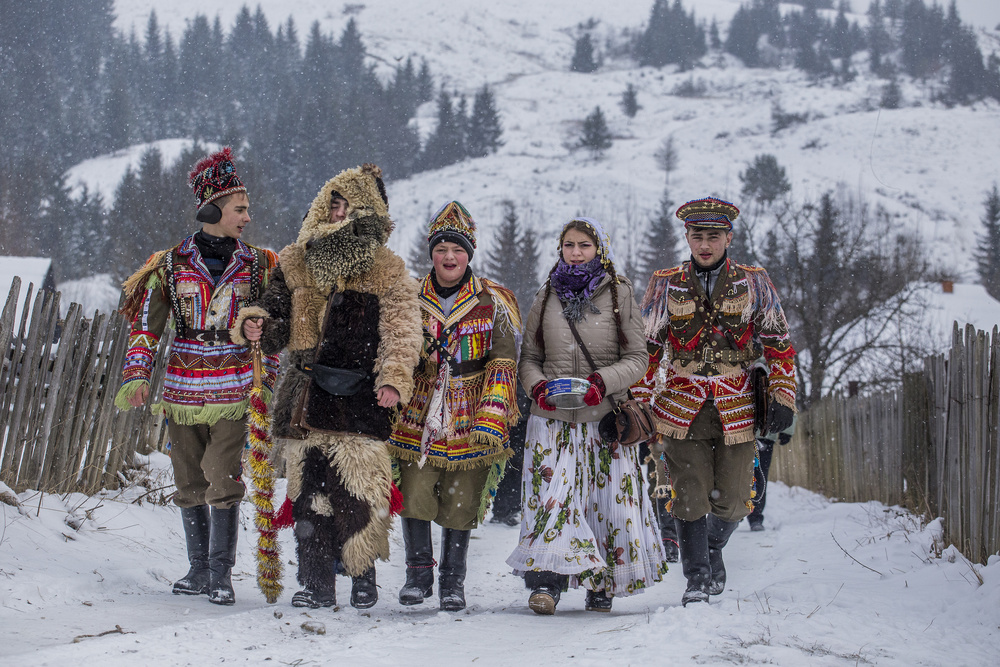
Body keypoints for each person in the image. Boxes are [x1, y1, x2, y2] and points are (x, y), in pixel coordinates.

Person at [231, 164, 423, 609]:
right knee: (309, 494)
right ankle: (315, 584)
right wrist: (257, 323)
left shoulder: (387, 269)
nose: (338, 213)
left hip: (362, 394)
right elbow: (274, 314)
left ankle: (362, 576)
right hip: (306, 392)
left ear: (367, 213)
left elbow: (402, 331)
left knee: (359, 492)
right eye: (333, 203)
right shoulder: (295, 260)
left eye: (348, 206)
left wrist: (393, 379)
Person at [115, 147, 279, 605]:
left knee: (222, 476)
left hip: (235, 386)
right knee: (188, 479)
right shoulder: (168, 265)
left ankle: (222, 573)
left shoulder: (260, 265)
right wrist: (137, 373)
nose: (247, 216)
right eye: (239, 208)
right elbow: (147, 326)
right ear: (212, 210)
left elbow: (275, 326)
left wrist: (264, 365)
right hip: (182, 390)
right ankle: (199, 569)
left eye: (247, 208)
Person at [634, 196, 796, 606]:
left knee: (739, 498)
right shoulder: (665, 282)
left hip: (737, 403)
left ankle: (711, 546)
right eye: (697, 236)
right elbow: (647, 349)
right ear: (687, 237)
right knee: (688, 493)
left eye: (713, 236)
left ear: (728, 238)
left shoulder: (755, 281)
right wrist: (638, 403)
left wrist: (783, 394)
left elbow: (779, 343)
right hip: (680, 402)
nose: (704, 245)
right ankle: (696, 578)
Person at [507, 218, 667, 615]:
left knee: (603, 502)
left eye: (584, 245)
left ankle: (602, 583)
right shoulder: (546, 294)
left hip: (603, 417)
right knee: (552, 498)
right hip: (551, 419)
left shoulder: (619, 293)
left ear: (600, 250)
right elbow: (529, 357)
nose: (576, 252)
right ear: (560, 249)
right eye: (569, 245)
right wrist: (537, 387)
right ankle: (547, 582)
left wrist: (602, 381)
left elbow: (638, 358)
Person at [388, 201, 522, 612]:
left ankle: (452, 581)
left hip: (473, 407)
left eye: (458, 250)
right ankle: (418, 575)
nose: (449, 257)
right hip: (418, 409)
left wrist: (492, 416)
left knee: (462, 498)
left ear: (469, 254)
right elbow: (394, 349)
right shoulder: (407, 295)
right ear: (431, 253)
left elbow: (503, 360)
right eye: (442, 249)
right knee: (414, 491)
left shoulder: (493, 301)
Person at [747, 416, 796, 531]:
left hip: (764, 434)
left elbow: (789, 405)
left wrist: (787, 430)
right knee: (737, 475)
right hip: (738, 434)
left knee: (760, 477)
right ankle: (734, 515)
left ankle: (755, 516)